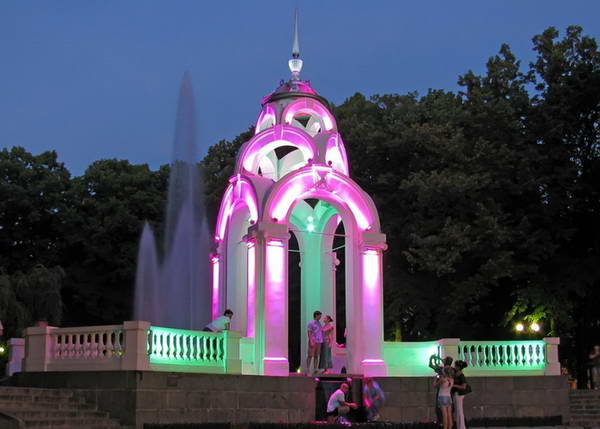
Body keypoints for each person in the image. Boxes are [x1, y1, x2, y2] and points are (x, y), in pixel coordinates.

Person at [452, 360, 469, 429]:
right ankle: (460, 426)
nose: (454, 367)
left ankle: (462, 427)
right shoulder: (456, 374)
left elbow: (463, 386)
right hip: (456, 393)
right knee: (458, 411)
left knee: (459, 411)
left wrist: (453, 385)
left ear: (458, 367)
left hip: (459, 394)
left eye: (455, 366)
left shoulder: (461, 376)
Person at [306, 310, 323, 375]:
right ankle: (308, 369)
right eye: (319, 316)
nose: (320, 317)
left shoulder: (319, 323)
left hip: (319, 341)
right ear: (316, 315)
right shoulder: (311, 322)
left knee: (316, 356)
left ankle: (315, 369)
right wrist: (311, 341)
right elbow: (309, 332)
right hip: (313, 341)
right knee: (310, 355)